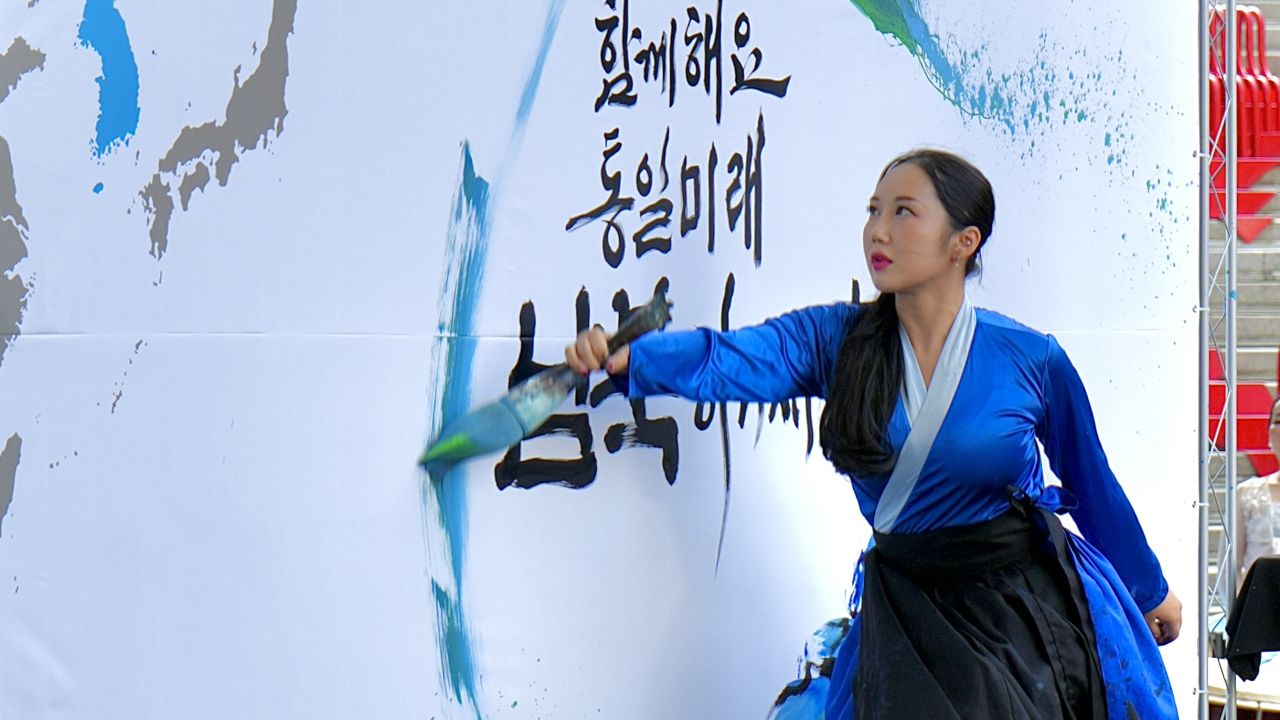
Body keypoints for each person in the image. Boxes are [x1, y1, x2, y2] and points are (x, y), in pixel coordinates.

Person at [566, 149, 1181, 719]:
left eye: (904, 213)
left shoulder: (1030, 358)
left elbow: (1091, 482)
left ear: (963, 243)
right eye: (873, 212)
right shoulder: (836, 340)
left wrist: (1149, 589)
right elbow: (728, 359)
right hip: (906, 607)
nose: (877, 232)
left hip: (1018, 609)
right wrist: (636, 360)